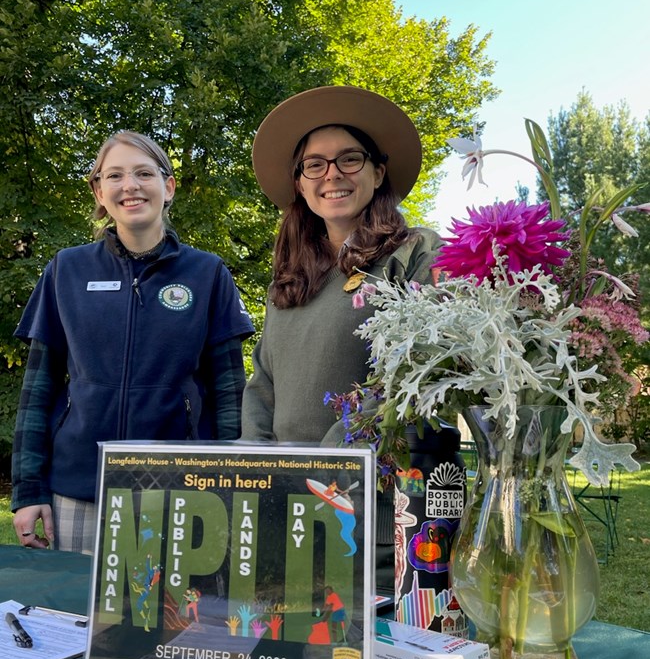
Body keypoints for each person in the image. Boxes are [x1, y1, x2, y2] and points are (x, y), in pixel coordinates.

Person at [11, 131, 254, 553]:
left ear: (168, 186)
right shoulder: (66, 270)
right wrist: (29, 489)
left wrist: (231, 484)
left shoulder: (208, 274)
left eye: (144, 173)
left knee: (176, 617)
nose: (130, 186)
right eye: (115, 175)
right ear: (98, 191)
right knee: (74, 617)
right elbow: (37, 389)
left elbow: (230, 394)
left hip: (182, 490)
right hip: (79, 489)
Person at [241, 85, 441, 591]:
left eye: (350, 159)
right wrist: (258, 475)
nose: (332, 174)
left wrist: (329, 470)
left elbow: (419, 377)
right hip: (289, 510)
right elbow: (263, 385)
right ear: (301, 185)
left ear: (378, 173)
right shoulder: (288, 281)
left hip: (381, 517)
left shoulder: (416, 253)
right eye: (315, 164)